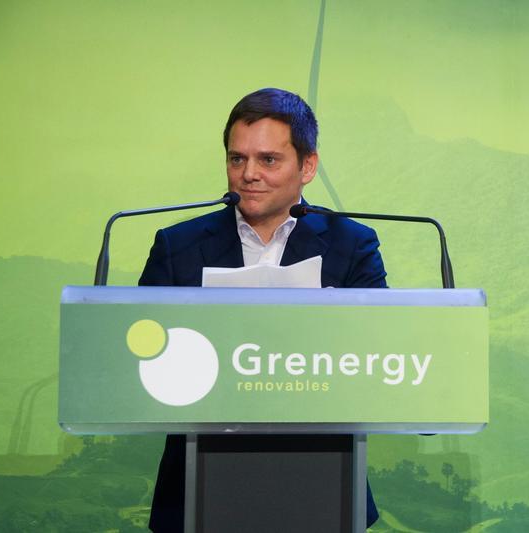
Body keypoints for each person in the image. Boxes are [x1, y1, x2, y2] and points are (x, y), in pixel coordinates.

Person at [139, 88, 386, 531]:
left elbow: (379, 355)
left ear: (307, 166)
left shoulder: (352, 245)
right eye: (237, 159)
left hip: (321, 484)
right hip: (198, 485)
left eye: (268, 160)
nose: (248, 174)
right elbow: (140, 358)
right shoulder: (178, 246)